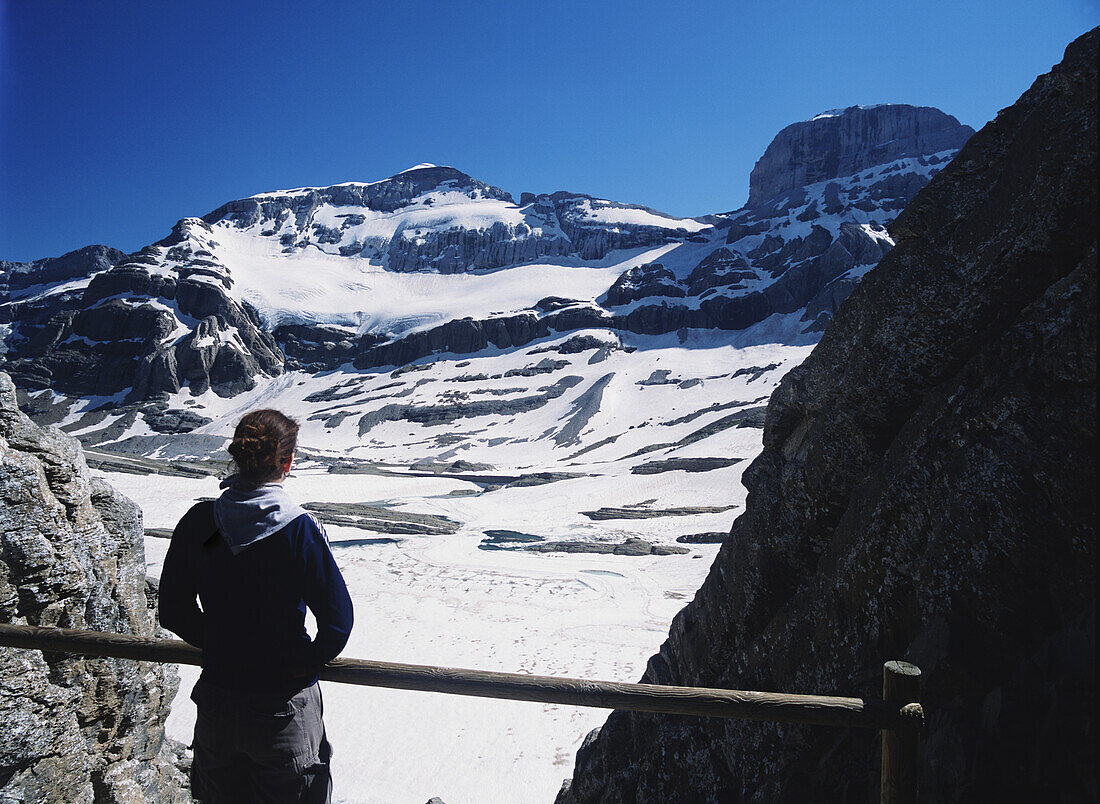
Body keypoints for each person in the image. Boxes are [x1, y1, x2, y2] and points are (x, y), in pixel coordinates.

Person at [159, 409, 354, 804]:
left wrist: (218, 644)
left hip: (218, 701)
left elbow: (174, 609)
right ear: (287, 462)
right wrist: (302, 663)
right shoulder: (298, 529)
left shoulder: (204, 524)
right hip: (281, 704)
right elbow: (337, 623)